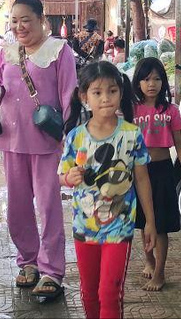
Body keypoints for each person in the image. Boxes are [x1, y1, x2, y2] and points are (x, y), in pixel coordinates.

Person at [0, 0, 77, 299]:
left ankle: (51, 271)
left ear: (41, 20)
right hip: (11, 138)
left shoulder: (59, 50)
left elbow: (69, 93)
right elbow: (0, 87)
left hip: (47, 140)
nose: (19, 27)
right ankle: (28, 261)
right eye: (14, 20)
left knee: (48, 207)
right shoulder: (8, 49)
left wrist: (68, 135)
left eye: (26, 20)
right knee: (17, 207)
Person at [60, 61, 156, 318]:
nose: (105, 98)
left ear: (121, 93)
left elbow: (143, 179)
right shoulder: (75, 137)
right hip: (84, 226)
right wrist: (69, 177)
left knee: (109, 293)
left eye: (112, 91)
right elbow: (62, 176)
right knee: (89, 293)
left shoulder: (132, 135)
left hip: (120, 226)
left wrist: (150, 222)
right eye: (97, 92)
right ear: (84, 97)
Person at [131, 57, 181, 291]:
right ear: (138, 82)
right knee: (143, 221)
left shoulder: (170, 110)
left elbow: (179, 144)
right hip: (138, 171)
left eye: (156, 78)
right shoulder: (131, 109)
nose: (151, 84)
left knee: (162, 225)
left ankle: (160, 272)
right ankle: (149, 260)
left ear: (163, 82)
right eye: (146, 79)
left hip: (163, 171)